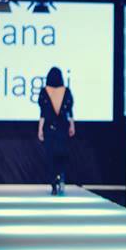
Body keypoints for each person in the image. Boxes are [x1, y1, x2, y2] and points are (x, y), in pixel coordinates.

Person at [37, 67, 75, 195]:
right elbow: (69, 111)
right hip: (62, 127)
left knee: (51, 156)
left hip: (49, 128)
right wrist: (72, 125)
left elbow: (43, 113)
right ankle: (61, 177)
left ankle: (54, 183)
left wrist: (40, 129)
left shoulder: (44, 91)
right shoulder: (66, 91)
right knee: (61, 155)